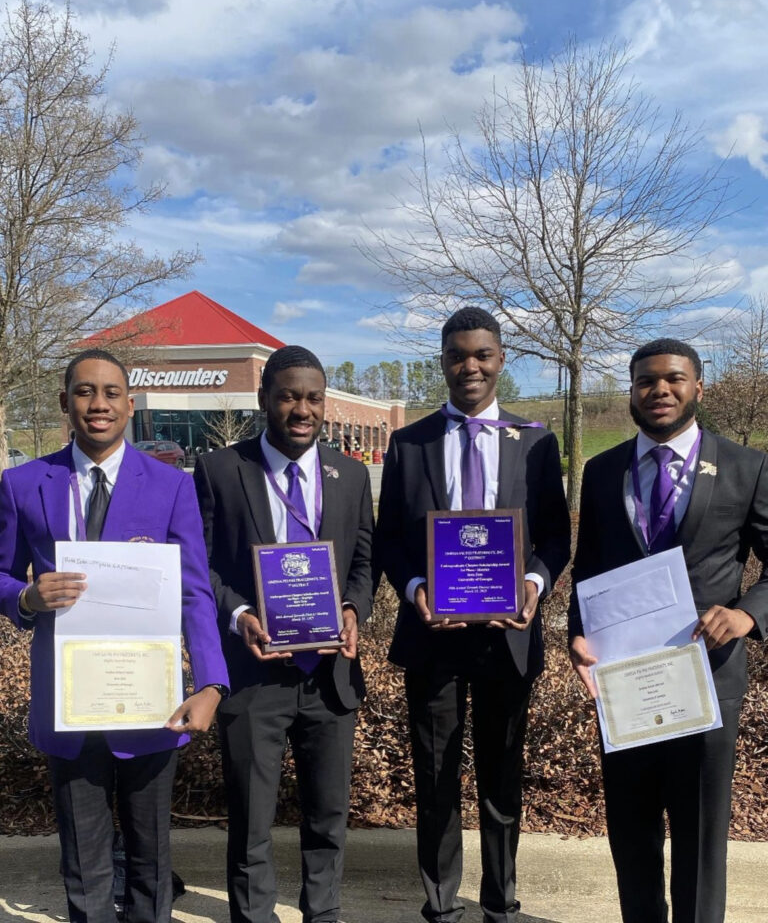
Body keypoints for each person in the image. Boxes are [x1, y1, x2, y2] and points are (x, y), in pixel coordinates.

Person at [0, 348, 229, 923]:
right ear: (65, 403)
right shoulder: (24, 484)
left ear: (130, 404)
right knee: (84, 862)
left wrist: (212, 684)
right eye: (83, 392)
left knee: (151, 862)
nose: (97, 405)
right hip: (71, 703)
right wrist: (24, 597)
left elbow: (195, 592)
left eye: (109, 393)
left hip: (150, 702)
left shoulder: (172, 485)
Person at [374, 307, 570, 923]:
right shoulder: (410, 442)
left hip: (507, 637)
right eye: (458, 355)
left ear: (501, 359)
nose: (470, 367)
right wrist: (413, 590)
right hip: (435, 636)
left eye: (482, 355)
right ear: (443, 361)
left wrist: (535, 584)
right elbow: (389, 541)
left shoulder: (536, 442)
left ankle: (501, 903)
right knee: (434, 779)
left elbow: (556, 538)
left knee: (501, 778)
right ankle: (440, 905)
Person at [569, 338, 768, 923]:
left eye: (674, 379)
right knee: (630, 834)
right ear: (631, 391)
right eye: (646, 381)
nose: (660, 390)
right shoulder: (602, 471)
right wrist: (576, 636)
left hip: (707, 679)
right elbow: (589, 569)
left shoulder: (745, 466)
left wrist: (746, 614)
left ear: (697, 387)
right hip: (625, 682)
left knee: (701, 838)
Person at [193, 345, 373, 923]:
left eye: (313, 397)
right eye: (289, 395)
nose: (302, 408)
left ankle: (323, 914)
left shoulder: (349, 473)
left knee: (328, 816)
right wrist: (239, 613)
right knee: (251, 821)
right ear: (264, 398)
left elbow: (364, 563)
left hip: (329, 678)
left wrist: (352, 609)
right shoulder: (222, 469)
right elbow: (203, 566)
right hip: (253, 677)